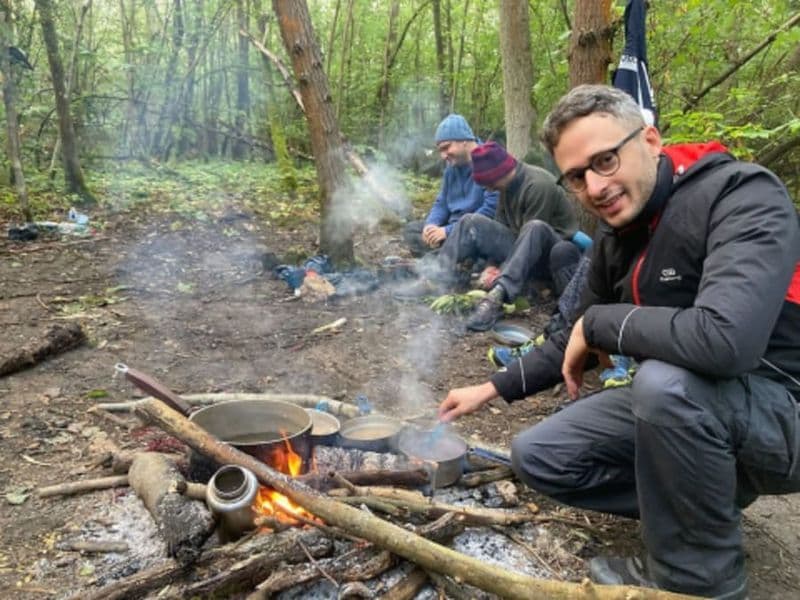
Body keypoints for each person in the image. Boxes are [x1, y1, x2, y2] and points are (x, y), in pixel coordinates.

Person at [438, 84, 800, 600]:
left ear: (650, 139)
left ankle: (696, 579)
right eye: (578, 177)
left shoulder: (741, 195)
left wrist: (604, 322)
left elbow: (726, 342)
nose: (595, 186)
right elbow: (571, 333)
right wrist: (490, 389)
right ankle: (703, 504)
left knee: (663, 382)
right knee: (538, 454)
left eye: (605, 160)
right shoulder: (618, 236)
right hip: (694, 406)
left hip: (782, 410)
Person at [400, 141, 585, 332]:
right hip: (521, 248)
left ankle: (497, 297)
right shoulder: (506, 186)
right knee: (470, 220)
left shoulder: (538, 185)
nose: (488, 189)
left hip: (551, 255)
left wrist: (501, 269)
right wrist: (490, 265)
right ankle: (436, 277)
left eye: (488, 183)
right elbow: (500, 232)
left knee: (534, 227)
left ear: (498, 174)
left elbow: (533, 240)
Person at [402, 114, 498, 257]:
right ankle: (447, 256)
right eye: (440, 150)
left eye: (446, 148)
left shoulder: (490, 161)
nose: (443, 155)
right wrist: (431, 226)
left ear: (464, 141)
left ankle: (447, 258)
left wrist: (447, 232)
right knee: (411, 230)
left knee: (469, 241)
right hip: (451, 227)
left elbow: (491, 210)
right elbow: (442, 203)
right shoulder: (451, 167)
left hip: (475, 229)